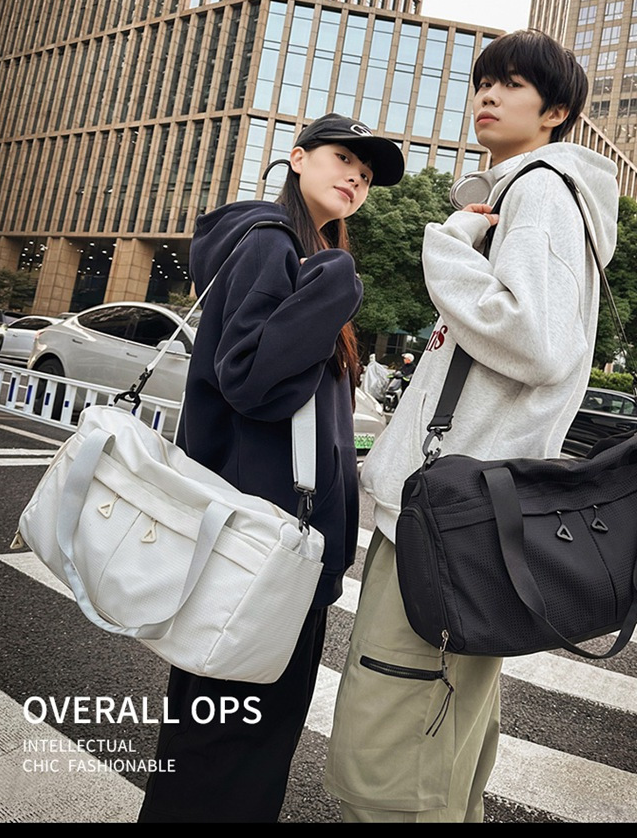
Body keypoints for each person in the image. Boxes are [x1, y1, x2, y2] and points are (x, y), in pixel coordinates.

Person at [324, 29, 619, 822]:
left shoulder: (542, 192)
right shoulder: (530, 191)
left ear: (555, 111)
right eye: (484, 82)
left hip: (448, 518)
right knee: (441, 734)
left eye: (513, 84)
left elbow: (536, 341)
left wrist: (448, 250)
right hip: (463, 511)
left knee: (393, 747)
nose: (488, 95)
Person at [137, 113, 404, 824]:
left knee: (225, 738)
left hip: (271, 538)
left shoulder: (302, 250)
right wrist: (335, 283)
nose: (356, 179)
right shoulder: (273, 243)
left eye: (366, 175)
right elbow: (252, 381)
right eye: (343, 159)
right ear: (297, 157)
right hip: (263, 542)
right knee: (232, 745)